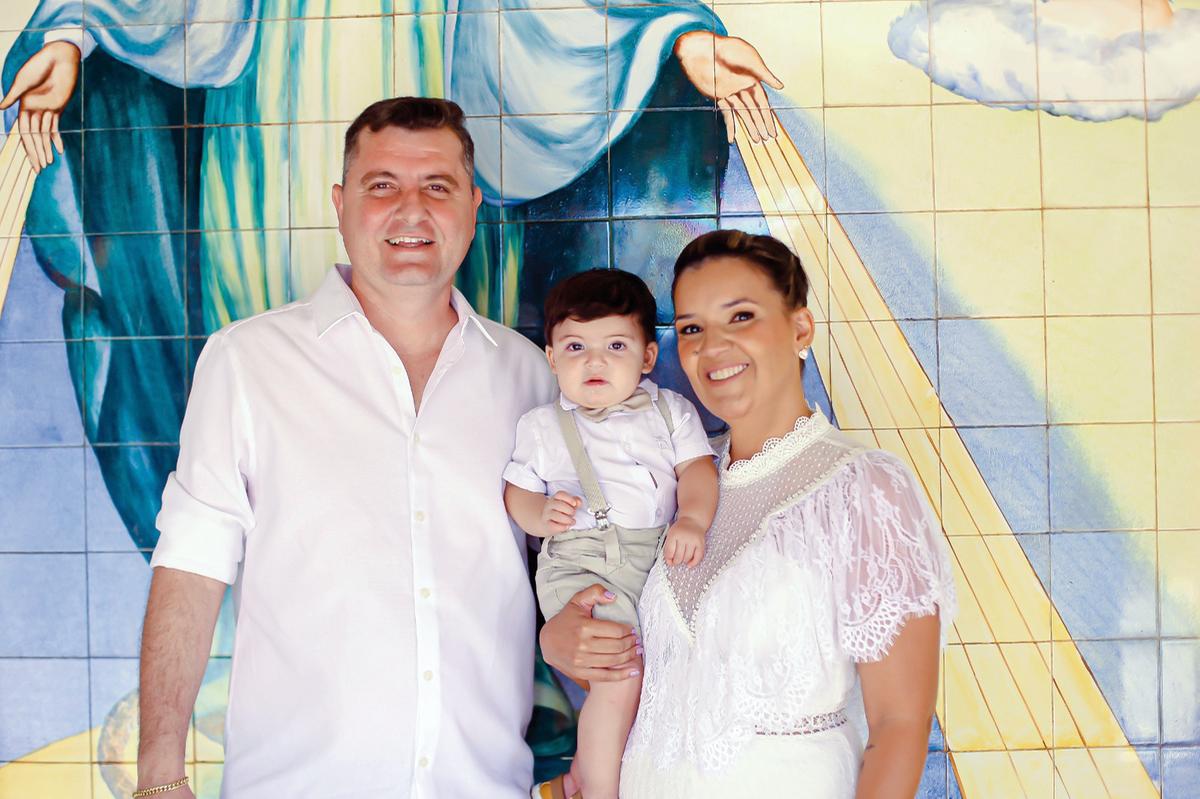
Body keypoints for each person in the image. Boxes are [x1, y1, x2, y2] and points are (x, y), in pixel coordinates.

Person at [135, 97, 557, 798]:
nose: (410, 210)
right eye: (382, 185)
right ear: (340, 202)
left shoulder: (530, 376)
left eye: (438, 187)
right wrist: (158, 776)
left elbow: (571, 567)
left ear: (473, 205)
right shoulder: (248, 362)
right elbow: (190, 566)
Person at [540, 230, 957, 799]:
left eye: (740, 317)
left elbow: (899, 726)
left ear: (800, 329)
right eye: (692, 328)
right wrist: (559, 638)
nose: (713, 347)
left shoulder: (863, 488)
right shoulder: (675, 487)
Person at [504, 269, 718, 799]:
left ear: (647, 358)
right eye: (575, 346)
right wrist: (539, 515)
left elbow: (697, 471)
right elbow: (517, 493)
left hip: (650, 563)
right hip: (580, 568)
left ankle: (593, 778)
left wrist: (691, 517)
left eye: (614, 345)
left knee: (655, 679)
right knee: (619, 674)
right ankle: (594, 787)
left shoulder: (671, 412)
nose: (593, 361)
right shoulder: (541, 425)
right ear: (552, 358)